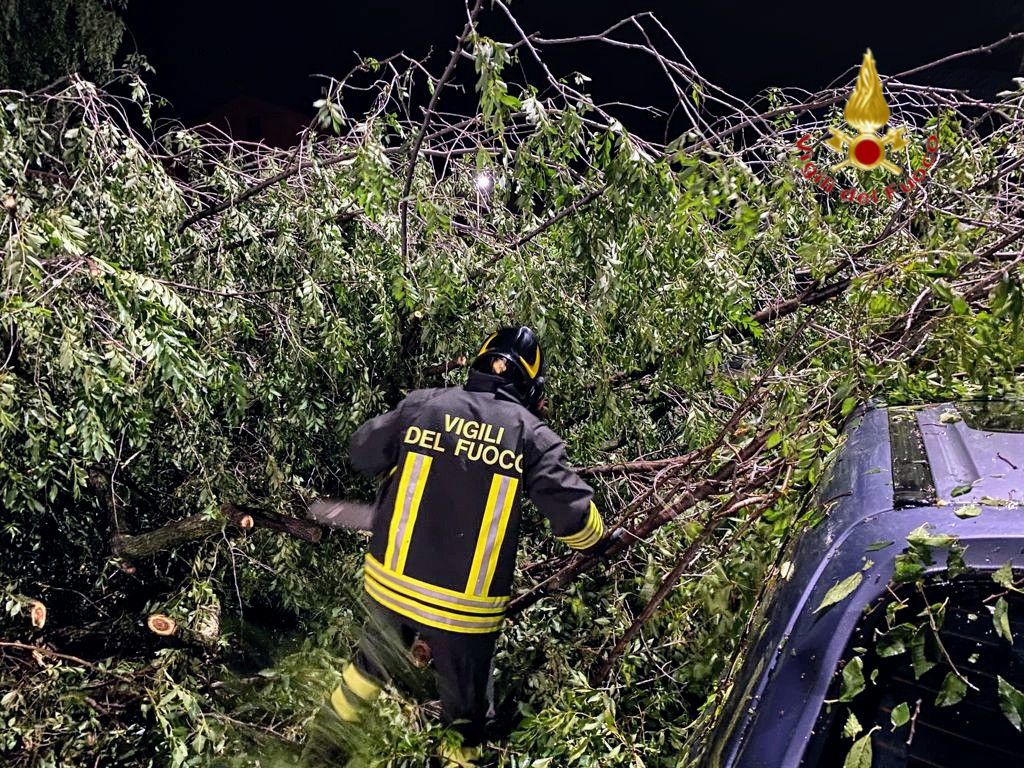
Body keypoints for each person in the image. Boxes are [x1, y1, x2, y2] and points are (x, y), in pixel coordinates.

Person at [308, 326, 608, 767]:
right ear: (531, 386)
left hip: (391, 585)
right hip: (463, 610)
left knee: (364, 673)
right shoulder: (531, 436)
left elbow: (362, 451)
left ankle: (316, 755)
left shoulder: (425, 405)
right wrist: (600, 541)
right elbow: (575, 519)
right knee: (465, 721)